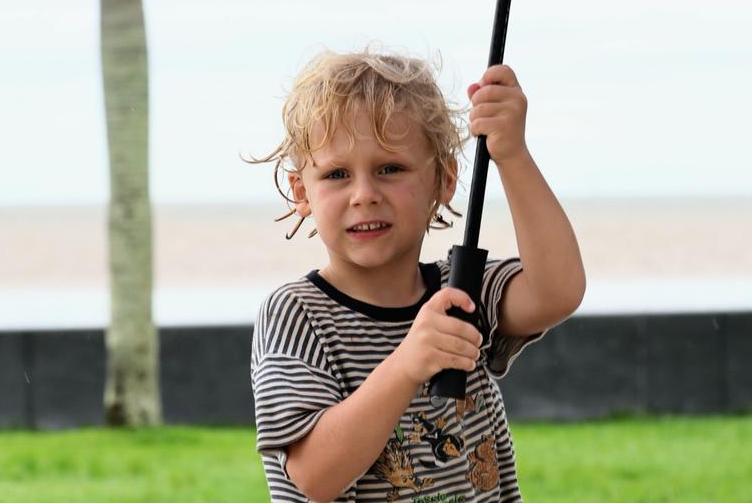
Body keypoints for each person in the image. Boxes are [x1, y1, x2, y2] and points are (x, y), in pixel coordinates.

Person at [248, 48, 585, 502]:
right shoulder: (297, 316)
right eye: (337, 174)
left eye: (390, 169)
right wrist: (408, 364)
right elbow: (313, 477)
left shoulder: (463, 292)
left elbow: (557, 291)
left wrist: (512, 154)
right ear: (301, 192)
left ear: (443, 180)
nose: (364, 194)